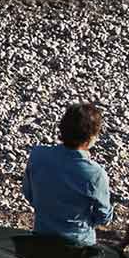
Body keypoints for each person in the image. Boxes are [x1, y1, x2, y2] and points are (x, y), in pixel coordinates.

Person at [22, 102, 113, 246]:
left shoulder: (38, 155)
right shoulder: (95, 173)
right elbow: (104, 217)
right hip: (78, 245)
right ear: (90, 139)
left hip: (40, 238)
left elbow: (29, 194)